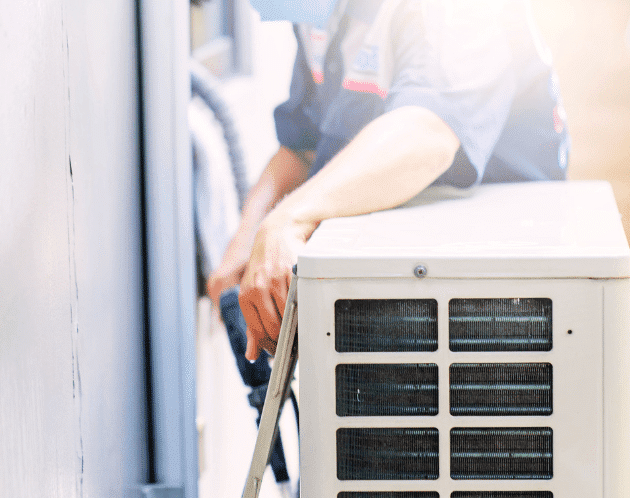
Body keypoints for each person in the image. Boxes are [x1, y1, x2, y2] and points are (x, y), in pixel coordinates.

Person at [207, 0, 569, 361]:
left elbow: (427, 135)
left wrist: (288, 219)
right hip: (391, 287)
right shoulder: (319, 16)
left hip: (495, 296)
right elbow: (302, 147)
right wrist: (248, 237)